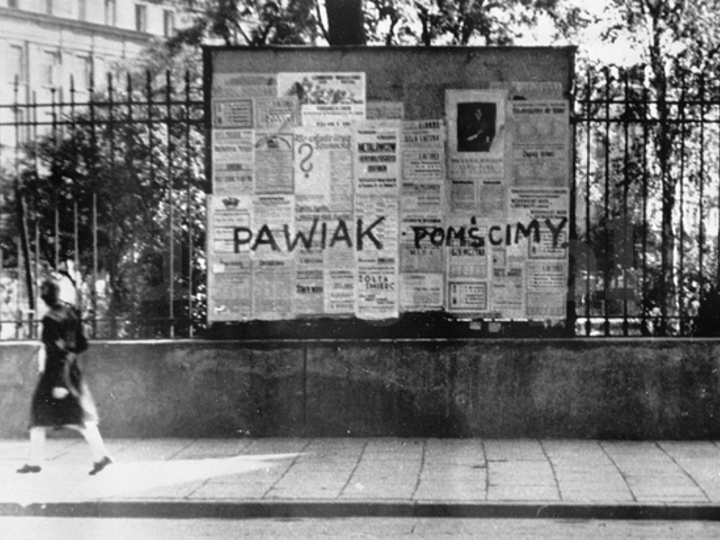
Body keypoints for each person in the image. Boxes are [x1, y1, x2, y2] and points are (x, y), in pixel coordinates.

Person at [17, 278, 113, 476]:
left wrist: (59, 381)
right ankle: (100, 456)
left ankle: (37, 462)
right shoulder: (71, 313)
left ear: (44, 297)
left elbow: (56, 351)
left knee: (47, 415)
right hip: (72, 372)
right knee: (75, 415)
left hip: (55, 375)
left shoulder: (50, 319)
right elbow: (81, 344)